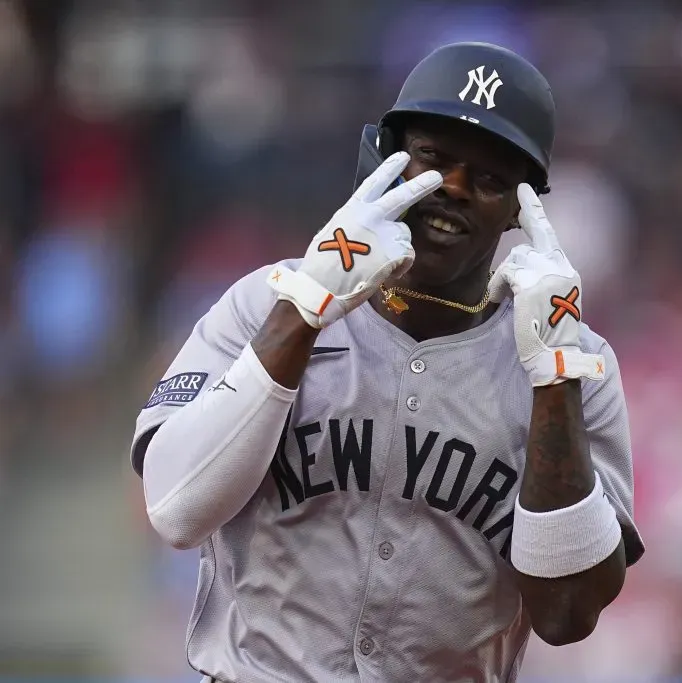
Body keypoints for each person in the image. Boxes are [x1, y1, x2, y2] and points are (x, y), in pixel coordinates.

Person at [131, 41, 643, 682]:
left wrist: (554, 382)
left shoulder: (577, 363)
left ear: (522, 206)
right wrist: (305, 309)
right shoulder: (265, 302)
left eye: (487, 177)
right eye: (432, 160)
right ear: (386, 158)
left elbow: (567, 614)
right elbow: (176, 510)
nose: (452, 188)